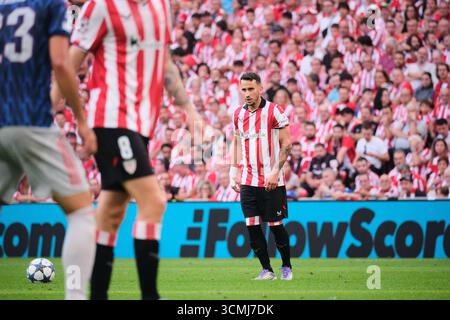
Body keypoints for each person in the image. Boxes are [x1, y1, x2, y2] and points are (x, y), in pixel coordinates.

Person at [62, 0, 209, 300]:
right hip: (111, 120)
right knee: (154, 201)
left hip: (142, 125)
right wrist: (65, 113)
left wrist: (190, 111)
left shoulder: (160, 7)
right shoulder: (101, 6)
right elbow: (69, 62)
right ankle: (150, 296)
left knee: (110, 213)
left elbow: (165, 64)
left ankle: (97, 296)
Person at [0, 0, 97, 300]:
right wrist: (81, 120)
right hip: (33, 121)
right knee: (82, 211)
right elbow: (60, 62)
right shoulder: (52, 6)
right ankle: (76, 295)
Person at [229, 72, 293, 280]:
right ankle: (267, 270)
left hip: (271, 180)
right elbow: (237, 143)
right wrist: (233, 170)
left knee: (276, 227)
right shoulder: (238, 115)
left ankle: (286, 267)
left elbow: (287, 145)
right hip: (248, 180)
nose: (247, 93)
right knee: (252, 227)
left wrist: (275, 171)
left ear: (260, 88)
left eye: (250, 89)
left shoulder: (275, 112)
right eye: (244, 89)